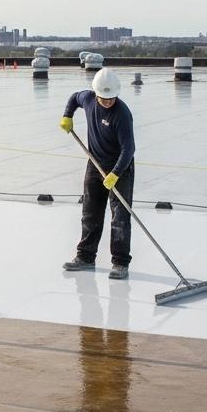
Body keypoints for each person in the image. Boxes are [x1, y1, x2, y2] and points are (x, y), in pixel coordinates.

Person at [59, 68, 136, 279]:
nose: (108, 102)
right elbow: (74, 98)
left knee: (120, 217)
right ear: (96, 94)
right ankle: (85, 257)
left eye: (112, 98)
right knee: (90, 212)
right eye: (104, 98)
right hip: (95, 164)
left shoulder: (122, 113)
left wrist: (116, 174)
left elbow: (128, 149)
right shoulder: (88, 99)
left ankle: (120, 263)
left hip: (120, 168)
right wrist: (67, 115)